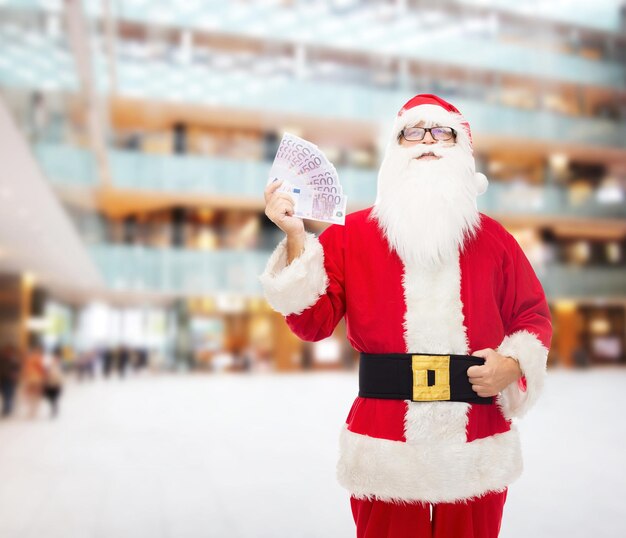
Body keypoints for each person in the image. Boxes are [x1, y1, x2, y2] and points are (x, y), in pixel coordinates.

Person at [260, 94, 552, 538]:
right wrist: (297, 238)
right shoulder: (350, 235)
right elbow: (311, 322)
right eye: (412, 132)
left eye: (441, 132)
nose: (427, 142)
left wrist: (512, 365)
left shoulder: (495, 241)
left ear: (463, 151)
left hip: (475, 441)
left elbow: (533, 316)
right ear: (393, 153)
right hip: (385, 445)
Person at [0, 343, 22, 418]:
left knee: (9, 393)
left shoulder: (14, 360)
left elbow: (18, 369)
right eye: (6, 351)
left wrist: (15, 376)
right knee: (5, 393)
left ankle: (7, 408)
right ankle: (7, 407)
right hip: (3, 378)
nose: (7, 352)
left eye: (9, 351)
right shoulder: (2, 359)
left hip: (10, 379)